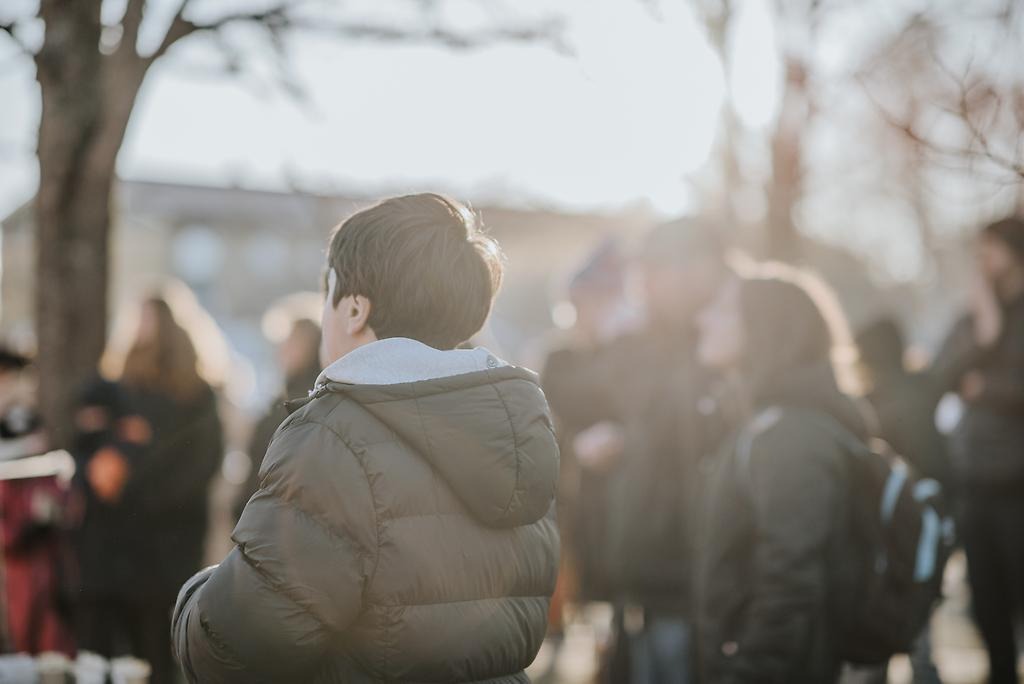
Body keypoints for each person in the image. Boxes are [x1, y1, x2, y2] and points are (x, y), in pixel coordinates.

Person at [172, 194, 560, 683]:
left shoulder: (336, 433)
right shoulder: (516, 428)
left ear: (354, 308)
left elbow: (230, 648)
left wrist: (199, 593)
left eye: (327, 292)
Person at [543, 218, 731, 684]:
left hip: (681, 572)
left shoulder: (709, 344)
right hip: (639, 570)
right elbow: (570, 388)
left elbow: (674, 430)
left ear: (695, 272)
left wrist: (628, 437)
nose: (641, 285)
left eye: (652, 272)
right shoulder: (644, 338)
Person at [694, 268, 866, 684]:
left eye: (723, 309)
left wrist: (747, 673)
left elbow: (790, 585)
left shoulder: (790, 436)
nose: (703, 318)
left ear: (764, 328)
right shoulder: (766, 424)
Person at [72, 296, 223, 684]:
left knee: (157, 651)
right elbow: (84, 439)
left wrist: (139, 489)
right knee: (106, 656)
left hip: (164, 548)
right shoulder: (113, 388)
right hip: (112, 549)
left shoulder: (195, 396)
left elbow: (197, 466)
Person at [932, 216, 1024, 684]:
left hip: (1018, 485)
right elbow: (939, 374)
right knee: (985, 600)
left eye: (990, 249)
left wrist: (983, 386)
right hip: (973, 482)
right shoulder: (974, 317)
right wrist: (984, 333)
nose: (982, 259)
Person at [854, 317, 949, 684]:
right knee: (920, 637)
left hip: (890, 529)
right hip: (927, 521)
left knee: (881, 642)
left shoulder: (872, 404)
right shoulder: (924, 389)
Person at [233, 316, 321, 522]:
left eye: (291, 341)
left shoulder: (302, 401)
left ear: (309, 346)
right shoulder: (285, 395)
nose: (282, 349)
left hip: (274, 519)